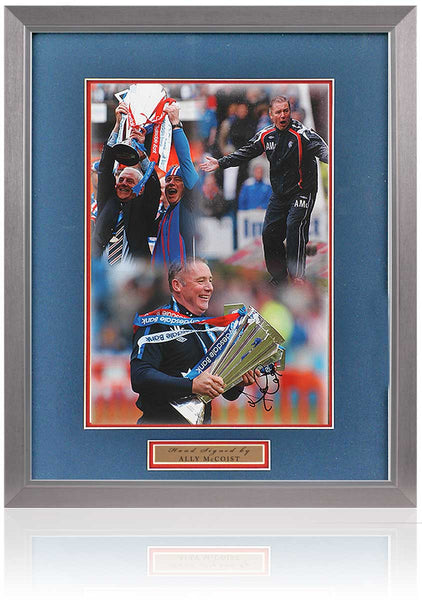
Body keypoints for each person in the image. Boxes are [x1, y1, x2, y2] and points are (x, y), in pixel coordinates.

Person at [200, 95, 329, 283]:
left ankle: (297, 277)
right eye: (279, 112)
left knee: (294, 225)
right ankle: (279, 277)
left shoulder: (303, 134)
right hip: (280, 194)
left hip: (302, 191)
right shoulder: (265, 135)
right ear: (271, 115)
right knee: (269, 233)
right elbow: (245, 152)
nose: (283, 115)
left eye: (286, 111)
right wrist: (220, 163)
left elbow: (324, 150)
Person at [130, 258, 256, 424]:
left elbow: (229, 394)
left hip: (200, 431)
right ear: (177, 285)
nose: (209, 287)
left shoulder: (209, 328)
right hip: (160, 430)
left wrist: (239, 381)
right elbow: (139, 377)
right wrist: (191, 385)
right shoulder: (156, 323)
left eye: (210, 280)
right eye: (201, 281)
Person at [92, 102, 160, 264]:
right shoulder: (107, 200)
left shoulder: (144, 209)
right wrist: (117, 125)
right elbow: (105, 168)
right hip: (100, 271)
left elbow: (154, 187)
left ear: (140, 188)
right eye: (121, 179)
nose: (123, 183)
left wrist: (142, 154)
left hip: (132, 275)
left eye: (130, 181)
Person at [151, 103, 200, 268]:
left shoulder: (188, 205)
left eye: (177, 179)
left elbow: (185, 161)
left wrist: (176, 125)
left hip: (185, 278)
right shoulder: (164, 215)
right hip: (165, 280)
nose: (171, 183)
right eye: (168, 179)